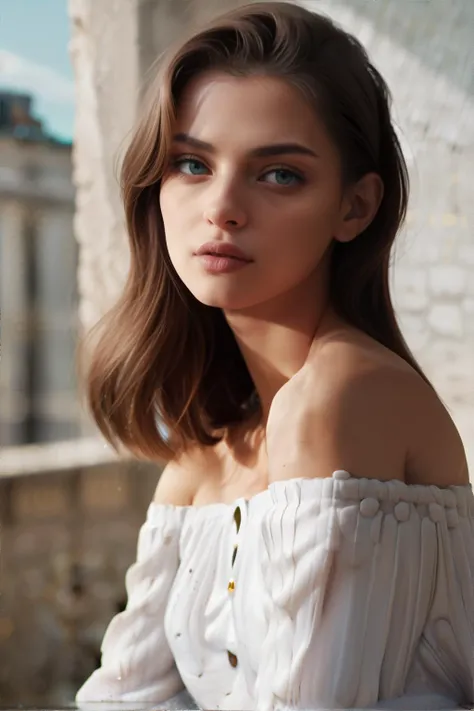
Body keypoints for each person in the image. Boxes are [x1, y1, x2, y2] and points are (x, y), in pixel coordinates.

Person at [75, 2, 474, 709]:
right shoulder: (208, 452)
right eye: (192, 164)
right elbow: (121, 693)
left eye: (279, 174)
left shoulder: (341, 394)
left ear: (355, 207)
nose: (222, 206)